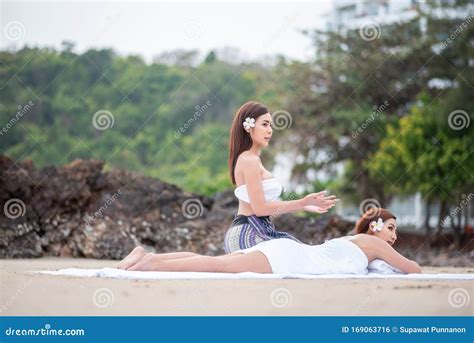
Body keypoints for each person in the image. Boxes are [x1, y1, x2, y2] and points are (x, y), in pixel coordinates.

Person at [117, 207, 422, 275]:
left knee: (220, 262)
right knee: (218, 266)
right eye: (391, 228)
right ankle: (152, 262)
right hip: (291, 257)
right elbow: (413, 269)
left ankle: (146, 255)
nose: (394, 236)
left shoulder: (353, 240)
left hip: (289, 251)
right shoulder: (375, 244)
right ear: (375, 227)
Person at [224, 100, 339, 253]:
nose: (270, 130)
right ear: (248, 127)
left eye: (271, 125)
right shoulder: (249, 160)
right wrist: (302, 203)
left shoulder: (250, 159)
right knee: (305, 256)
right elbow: (260, 208)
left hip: (254, 229)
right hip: (249, 232)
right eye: (264, 124)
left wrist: (304, 205)